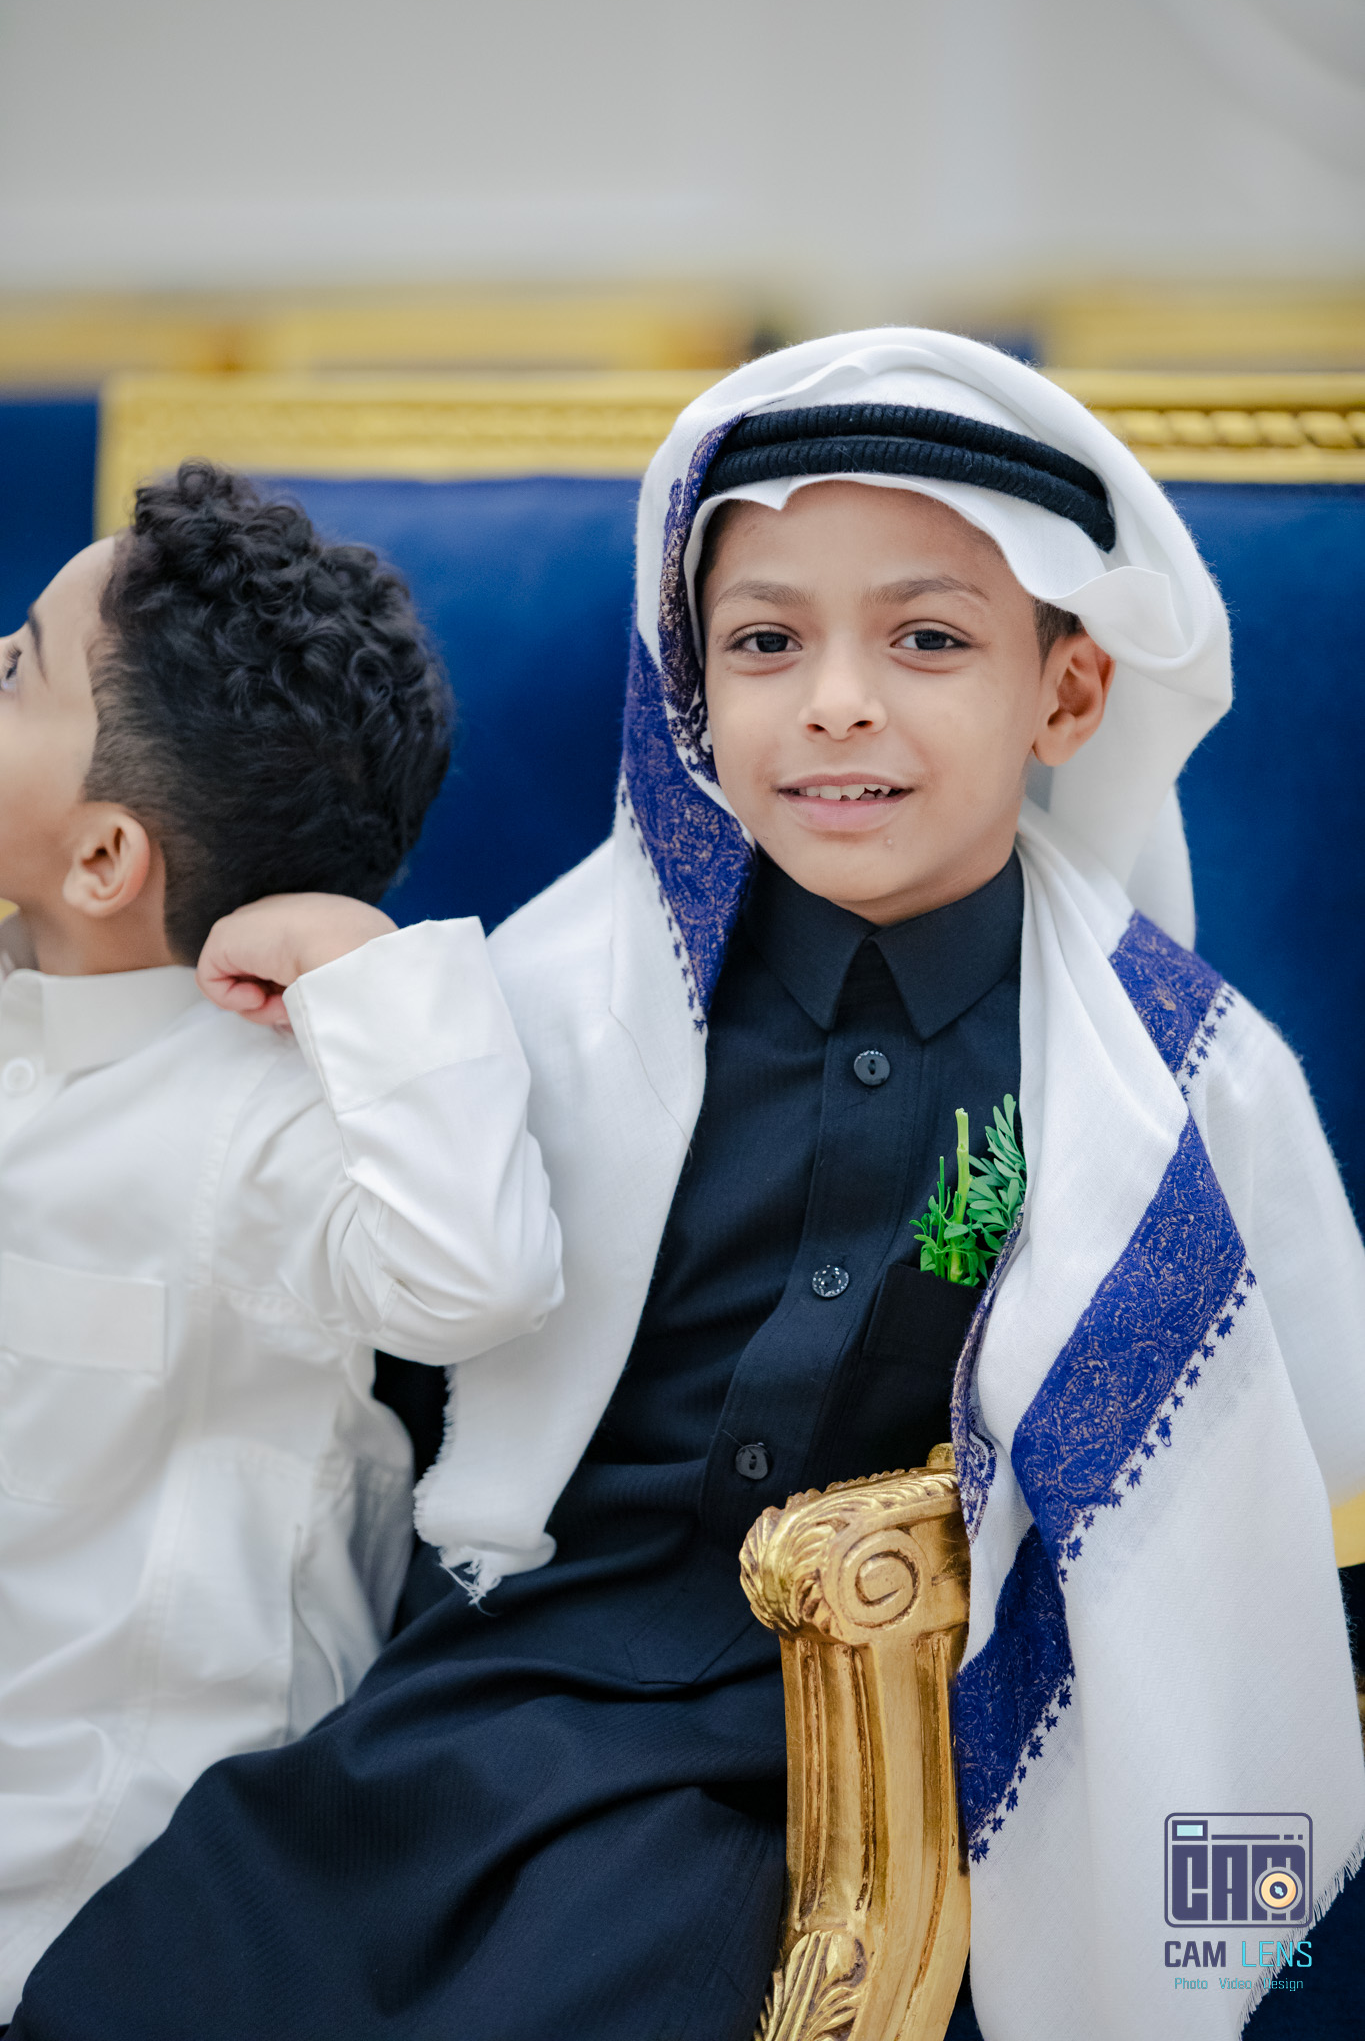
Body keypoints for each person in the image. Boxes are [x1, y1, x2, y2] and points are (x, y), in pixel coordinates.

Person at [10, 336, 1365, 2041]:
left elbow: (1270, 1481)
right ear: (694, 693)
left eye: (927, 640)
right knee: (164, 1968)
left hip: (819, 1750)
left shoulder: (1167, 1080)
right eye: (765, 643)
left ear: (1067, 695)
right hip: (490, 1676)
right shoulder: (562, 998)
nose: (836, 702)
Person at [0, 461, 562, 2020]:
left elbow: (477, 1276)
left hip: (116, 1844)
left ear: (103, 859)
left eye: (15, 671)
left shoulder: (260, 1120)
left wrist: (364, 975)